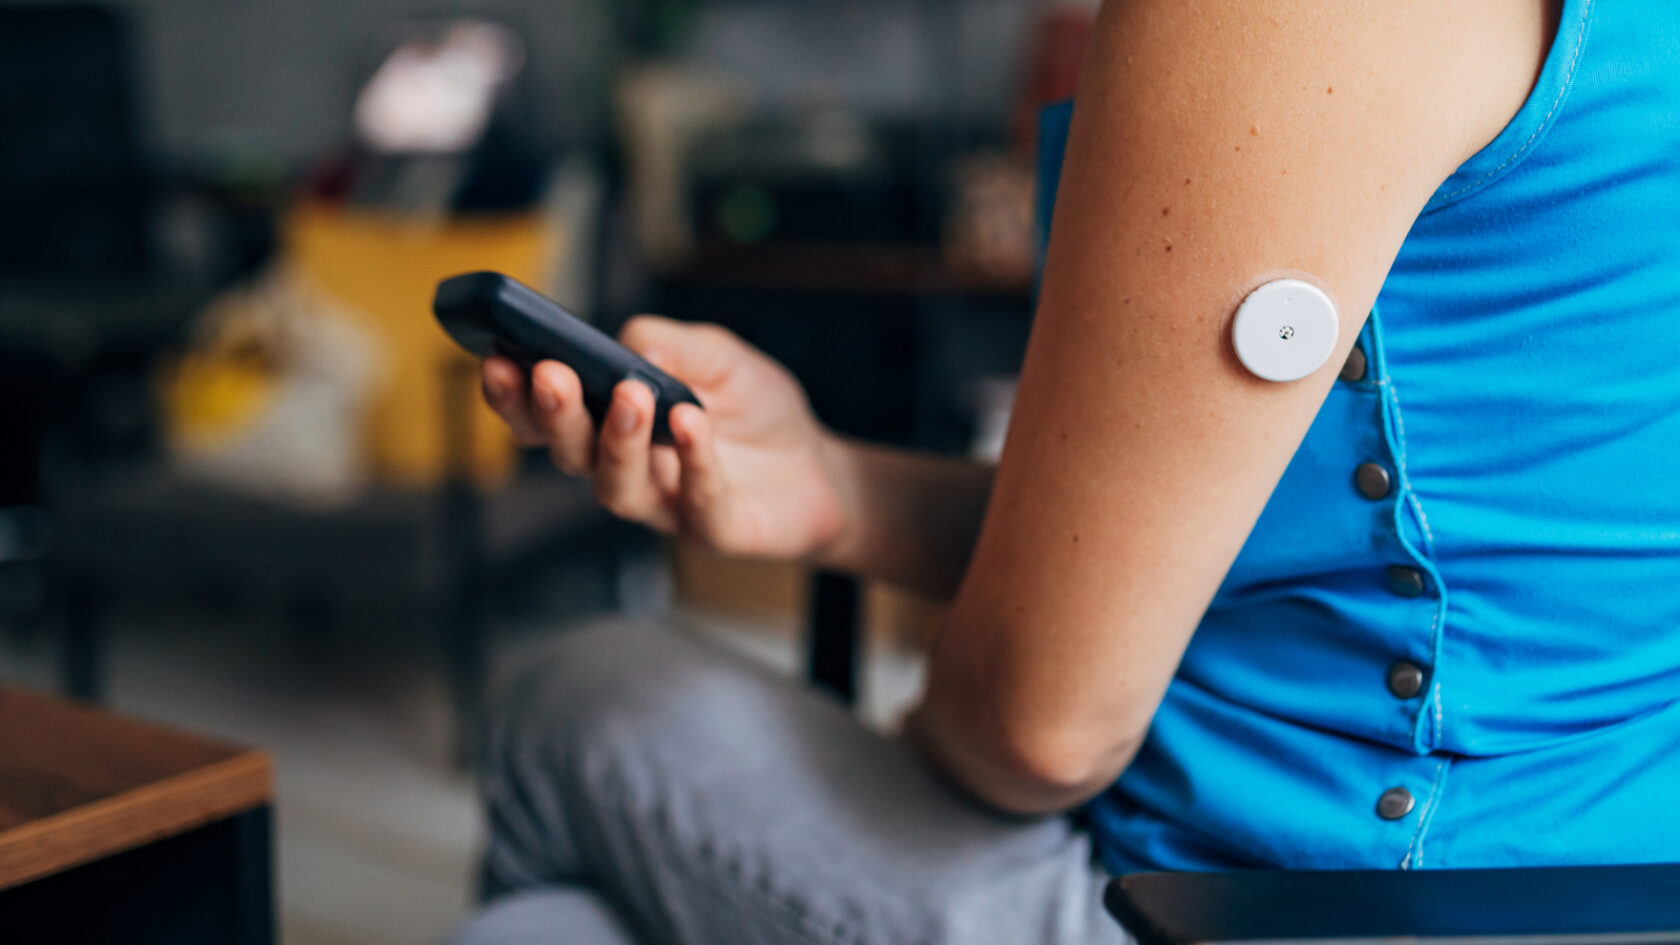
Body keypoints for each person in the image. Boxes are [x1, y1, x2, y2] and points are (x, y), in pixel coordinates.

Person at [448, 0, 1680, 942]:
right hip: (1621, 885)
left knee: (580, 692)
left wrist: (950, 711)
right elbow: (1274, 540)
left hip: (1271, 903)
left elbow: (1036, 734)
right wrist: (832, 487)